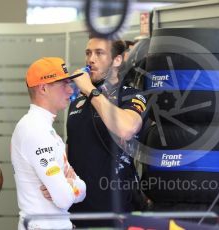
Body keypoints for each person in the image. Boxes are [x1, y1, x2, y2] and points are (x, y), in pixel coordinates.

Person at [67, 37, 147, 227]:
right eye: (88, 53)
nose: (91, 59)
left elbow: (127, 128)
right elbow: (71, 148)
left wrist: (90, 90)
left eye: (99, 53)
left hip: (117, 213)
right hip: (77, 212)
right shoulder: (77, 101)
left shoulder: (131, 95)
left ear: (117, 60)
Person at [11, 57, 86, 230]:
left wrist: (72, 185)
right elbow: (64, 199)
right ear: (43, 88)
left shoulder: (45, 129)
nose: (70, 90)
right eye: (64, 84)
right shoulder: (34, 129)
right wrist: (72, 185)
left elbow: (81, 191)